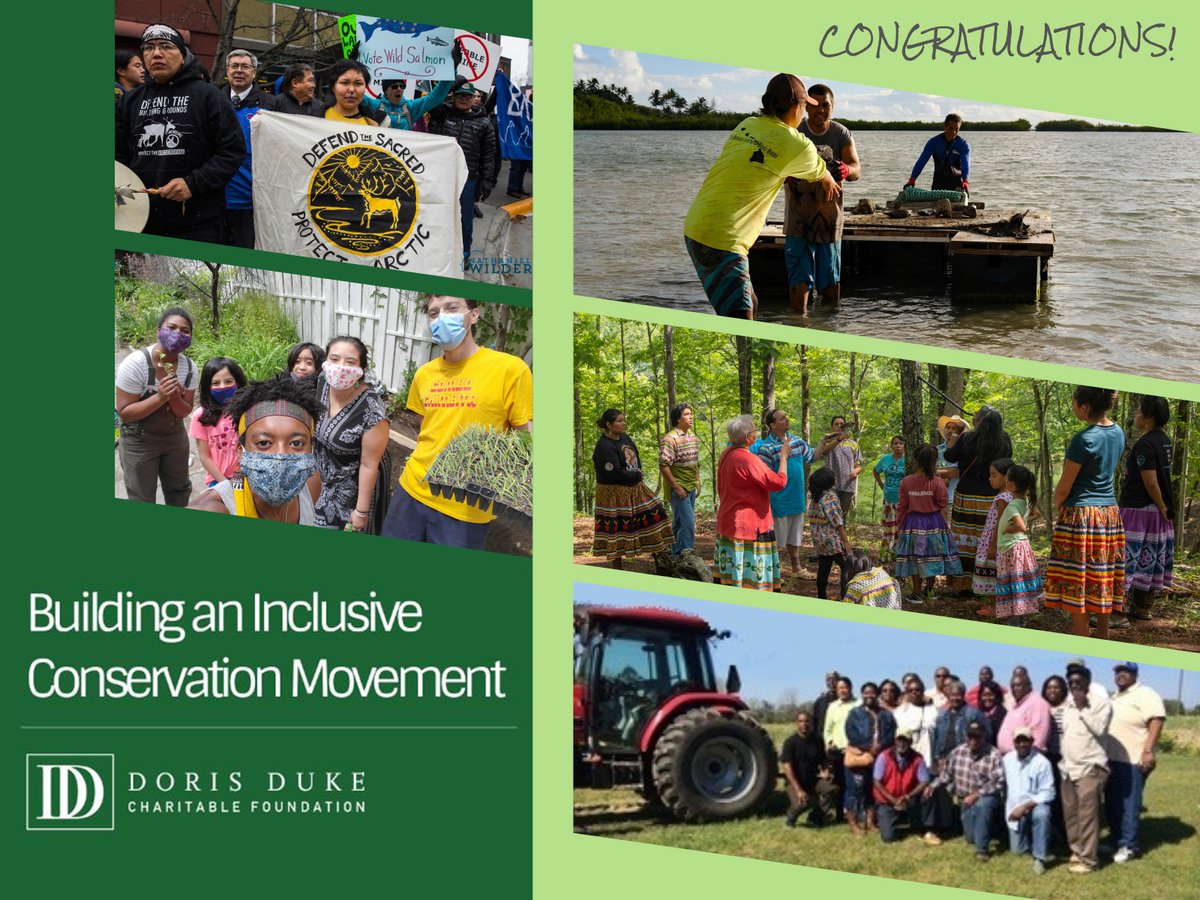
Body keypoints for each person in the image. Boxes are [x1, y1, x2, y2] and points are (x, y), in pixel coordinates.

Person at [683, 73, 839, 319]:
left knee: (751, 304)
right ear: (798, 107)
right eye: (805, 105)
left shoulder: (746, 125)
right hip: (723, 239)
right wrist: (829, 179)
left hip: (695, 226)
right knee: (741, 318)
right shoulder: (797, 144)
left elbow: (752, 164)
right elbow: (821, 173)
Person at [381, 296, 532, 549]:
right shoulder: (424, 374)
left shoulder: (510, 369)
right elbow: (427, 429)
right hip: (412, 490)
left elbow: (523, 439)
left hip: (465, 505)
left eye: (452, 308)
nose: (442, 317)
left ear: (473, 315)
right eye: (433, 313)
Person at [116, 25, 245, 241]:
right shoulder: (129, 101)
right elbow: (117, 155)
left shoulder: (210, 97)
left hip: (198, 222)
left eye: (166, 46)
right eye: (148, 48)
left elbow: (232, 151)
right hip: (139, 219)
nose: (156, 53)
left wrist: (193, 183)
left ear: (183, 56)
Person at [1045, 386, 1127, 638]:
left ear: (1084, 407)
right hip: (1109, 514)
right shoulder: (1118, 432)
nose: (1073, 406)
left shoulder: (1083, 440)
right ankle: (1102, 634)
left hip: (1081, 516)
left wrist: (1060, 506)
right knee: (1101, 576)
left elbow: (1065, 487)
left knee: (1077, 579)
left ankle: (1081, 637)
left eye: (1074, 403)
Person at [189, 374, 322, 523]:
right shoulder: (213, 508)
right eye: (264, 443)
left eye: (296, 443)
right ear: (240, 451)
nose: (280, 455)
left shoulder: (311, 485)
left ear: (311, 449)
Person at [782, 83, 861, 314]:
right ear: (806, 107)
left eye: (826, 105)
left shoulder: (841, 133)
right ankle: (799, 326)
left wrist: (846, 170)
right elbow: (771, 167)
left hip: (829, 219)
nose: (821, 111)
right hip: (798, 220)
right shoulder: (794, 132)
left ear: (832, 106)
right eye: (815, 105)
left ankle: (829, 328)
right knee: (799, 280)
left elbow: (857, 168)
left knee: (830, 282)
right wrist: (784, 175)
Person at [115, 307, 199, 506]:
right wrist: (160, 397)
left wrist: (174, 397)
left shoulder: (189, 368)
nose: (177, 334)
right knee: (142, 495)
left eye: (184, 331)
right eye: (171, 327)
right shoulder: (135, 364)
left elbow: (184, 411)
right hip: (139, 440)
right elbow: (125, 413)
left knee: (179, 490)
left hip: (173, 436)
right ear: (158, 330)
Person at [311, 337, 390, 532]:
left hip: (353, 491)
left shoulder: (372, 411)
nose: (340, 367)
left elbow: (369, 464)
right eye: (334, 359)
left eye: (350, 362)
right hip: (321, 478)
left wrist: (361, 512)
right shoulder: (323, 381)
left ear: (361, 369)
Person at [713, 415, 789, 591]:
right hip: (748, 526)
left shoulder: (726, 454)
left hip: (728, 520)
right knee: (752, 579)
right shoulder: (748, 459)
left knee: (731, 577)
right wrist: (783, 457)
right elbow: (778, 483)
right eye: (754, 429)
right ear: (748, 438)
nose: (757, 432)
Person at [591, 409, 673, 569]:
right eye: (619, 421)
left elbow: (636, 456)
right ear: (608, 424)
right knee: (617, 528)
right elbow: (614, 473)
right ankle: (618, 568)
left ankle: (662, 559)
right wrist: (636, 476)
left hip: (634, 487)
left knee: (655, 512)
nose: (623, 423)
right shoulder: (604, 446)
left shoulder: (624, 437)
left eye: (623, 420)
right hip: (613, 492)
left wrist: (638, 472)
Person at [428, 81, 499, 264]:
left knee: (465, 219)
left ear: (473, 99)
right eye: (459, 95)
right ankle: (436, 252)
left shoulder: (484, 124)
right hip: (440, 177)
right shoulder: (441, 114)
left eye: (467, 96)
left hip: (468, 180)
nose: (463, 99)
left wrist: (487, 181)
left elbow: (489, 156)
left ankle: (464, 254)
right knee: (436, 215)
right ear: (453, 96)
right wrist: (451, 84)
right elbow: (432, 101)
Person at [943, 407, 1013, 593]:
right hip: (991, 496)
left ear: (980, 421)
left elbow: (949, 455)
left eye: (975, 417)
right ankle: (987, 584)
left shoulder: (967, 438)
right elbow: (1008, 459)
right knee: (987, 537)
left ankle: (962, 585)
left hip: (966, 494)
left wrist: (955, 434)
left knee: (964, 539)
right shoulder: (1004, 439)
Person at [1119, 395, 1175, 621]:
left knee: (1126, 558)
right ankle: (1142, 607)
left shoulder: (1145, 443)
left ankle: (1115, 613)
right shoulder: (1164, 440)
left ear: (1149, 418)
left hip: (1138, 510)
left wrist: (1162, 506)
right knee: (1148, 557)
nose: (1136, 416)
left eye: (1139, 412)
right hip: (1155, 511)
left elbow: (1150, 481)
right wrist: (1163, 508)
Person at [1104, 661, 1166, 863]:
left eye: (1125, 671)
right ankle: (1115, 840)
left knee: (1129, 804)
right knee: (1113, 804)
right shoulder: (1115, 696)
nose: (1120, 675)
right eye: (1117, 671)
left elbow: (1156, 720)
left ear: (1134, 673)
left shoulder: (1145, 694)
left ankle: (1129, 846)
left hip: (1132, 761)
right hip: (1112, 760)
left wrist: (1148, 751)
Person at [750, 409, 823, 575]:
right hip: (779, 500)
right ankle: (771, 573)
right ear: (772, 425)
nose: (786, 419)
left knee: (795, 536)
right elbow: (764, 476)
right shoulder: (767, 447)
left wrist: (824, 443)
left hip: (797, 498)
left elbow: (812, 456)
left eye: (786, 417)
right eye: (782, 418)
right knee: (776, 538)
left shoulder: (796, 440)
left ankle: (796, 567)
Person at [1059, 665, 1112, 874]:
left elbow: (1099, 728)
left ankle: (1090, 860)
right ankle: (1078, 850)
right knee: (1071, 814)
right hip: (1068, 768)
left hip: (1090, 768)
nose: (1074, 686)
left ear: (1088, 683)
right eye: (1071, 683)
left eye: (1078, 682)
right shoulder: (1068, 705)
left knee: (1088, 815)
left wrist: (1084, 707)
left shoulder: (1100, 703)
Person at [894, 443, 962, 602]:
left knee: (914, 558)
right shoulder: (937, 481)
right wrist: (944, 487)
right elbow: (943, 503)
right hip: (934, 523)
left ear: (916, 460)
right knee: (933, 555)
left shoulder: (906, 481)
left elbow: (902, 506)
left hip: (912, 524)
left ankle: (916, 593)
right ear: (934, 461)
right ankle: (929, 591)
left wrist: (900, 526)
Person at [218, 49, 271, 249]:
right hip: (216, 199)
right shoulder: (213, 100)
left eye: (245, 66)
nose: (239, 71)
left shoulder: (270, 106)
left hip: (251, 202)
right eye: (234, 66)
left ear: (254, 72)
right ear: (227, 70)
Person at [933, 721, 1003, 860]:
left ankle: (982, 850)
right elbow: (946, 775)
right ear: (966, 736)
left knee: (982, 805)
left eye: (977, 737)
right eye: (970, 736)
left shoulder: (994, 754)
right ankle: (983, 833)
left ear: (984, 736)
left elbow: (999, 783)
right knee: (971, 838)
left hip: (987, 796)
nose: (973, 740)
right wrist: (932, 785)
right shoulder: (957, 751)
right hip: (965, 800)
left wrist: (977, 794)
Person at [844, 682, 896, 836]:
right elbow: (850, 733)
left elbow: (891, 734)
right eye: (866, 693)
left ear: (877, 694)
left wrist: (879, 746)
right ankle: (853, 824)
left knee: (872, 790)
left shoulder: (886, 714)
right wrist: (868, 747)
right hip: (860, 756)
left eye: (872, 692)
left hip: (879, 757)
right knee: (855, 791)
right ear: (862, 695)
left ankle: (871, 822)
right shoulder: (854, 714)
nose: (869, 695)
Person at [995, 464, 1044, 625]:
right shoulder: (1025, 501)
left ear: (1011, 484)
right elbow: (1036, 514)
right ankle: (1020, 619)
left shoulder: (1013, 505)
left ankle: (1015, 623)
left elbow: (1021, 527)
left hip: (1012, 549)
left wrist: (1009, 528)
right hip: (1019, 546)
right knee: (1019, 583)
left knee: (1013, 583)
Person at [1003, 727, 1056, 875]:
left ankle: (1040, 858)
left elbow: (1049, 792)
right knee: (1017, 851)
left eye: (1025, 741)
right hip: (1014, 808)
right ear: (1014, 742)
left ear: (1032, 742)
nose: (1021, 744)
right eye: (1018, 741)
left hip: (1036, 805)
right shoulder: (1007, 759)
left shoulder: (1042, 762)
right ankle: (1044, 835)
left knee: (1042, 815)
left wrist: (1025, 807)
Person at [874, 729, 941, 845]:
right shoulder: (883, 756)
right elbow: (877, 782)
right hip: (887, 800)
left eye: (905, 741)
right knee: (888, 838)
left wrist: (908, 796)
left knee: (927, 792)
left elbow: (924, 781)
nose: (902, 744)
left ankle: (928, 828)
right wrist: (894, 801)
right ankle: (894, 821)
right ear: (895, 741)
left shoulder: (917, 758)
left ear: (911, 742)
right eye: (899, 740)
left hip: (908, 798)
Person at [189, 356, 246, 488]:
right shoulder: (201, 417)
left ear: (238, 382)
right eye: (215, 383)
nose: (222, 387)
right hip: (219, 479)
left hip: (244, 474)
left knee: (244, 507)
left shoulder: (247, 410)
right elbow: (204, 456)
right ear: (207, 386)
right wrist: (226, 484)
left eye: (228, 381)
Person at [659, 404, 702, 562]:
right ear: (678, 418)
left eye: (691, 414)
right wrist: (675, 486)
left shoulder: (692, 436)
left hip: (690, 485)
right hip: (679, 487)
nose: (691, 417)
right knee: (687, 522)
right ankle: (687, 555)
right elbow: (664, 465)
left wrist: (697, 480)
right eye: (687, 414)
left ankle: (676, 556)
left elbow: (695, 461)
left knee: (679, 521)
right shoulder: (670, 439)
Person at [781, 712, 838, 828]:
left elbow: (823, 760)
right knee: (802, 803)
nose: (804, 724)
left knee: (833, 788)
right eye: (801, 721)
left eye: (807, 721)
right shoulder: (790, 743)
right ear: (796, 724)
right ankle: (790, 818)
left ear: (811, 723)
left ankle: (815, 817)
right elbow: (787, 768)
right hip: (794, 782)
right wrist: (798, 790)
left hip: (812, 780)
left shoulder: (817, 740)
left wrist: (826, 770)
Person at [972, 458, 1014, 612]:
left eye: (994, 475)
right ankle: (1000, 607)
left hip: (995, 541)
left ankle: (996, 609)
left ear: (1006, 477)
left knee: (994, 574)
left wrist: (992, 545)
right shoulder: (1013, 496)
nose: (990, 479)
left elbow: (1000, 523)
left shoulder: (1002, 498)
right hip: (1006, 541)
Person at [807, 467, 851, 599]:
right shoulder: (830, 497)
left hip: (819, 540)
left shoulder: (815, 497)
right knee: (847, 566)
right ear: (828, 481)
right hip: (831, 540)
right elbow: (838, 521)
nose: (835, 478)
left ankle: (822, 596)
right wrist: (846, 542)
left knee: (824, 567)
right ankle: (845, 595)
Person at [906, 113, 970, 194]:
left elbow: (966, 163)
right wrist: (912, 179)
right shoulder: (933, 142)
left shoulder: (963, 144)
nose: (953, 132)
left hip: (957, 186)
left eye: (956, 129)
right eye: (951, 128)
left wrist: (965, 181)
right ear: (945, 126)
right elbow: (922, 161)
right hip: (938, 185)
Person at [814, 415, 862, 517]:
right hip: (830, 485)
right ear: (832, 427)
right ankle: (830, 533)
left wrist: (856, 471)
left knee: (843, 514)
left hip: (848, 485)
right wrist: (839, 439)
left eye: (841, 424)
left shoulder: (853, 444)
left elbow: (858, 465)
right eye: (836, 424)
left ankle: (842, 532)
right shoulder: (827, 441)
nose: (839, 426)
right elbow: (824, 451)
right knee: (830, 514)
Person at [823, 675, 859, 809]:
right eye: (839, 688)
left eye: (845, 687)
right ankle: (840, 812)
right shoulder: (832, 706)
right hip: (838, 751)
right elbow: (828, 729)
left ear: (850, 688)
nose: (842, 690)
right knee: (839, 782)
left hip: (855, 750)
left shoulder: (858, 704)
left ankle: (855, 810)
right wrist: (829, 742)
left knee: (855, 782)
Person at [374, 72, 455, 130]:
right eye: (394, 87)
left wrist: (451, 70)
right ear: (385, 91)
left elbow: (436, 97)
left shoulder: (410, 107)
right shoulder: (375, 105)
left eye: (402, 86)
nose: (399, 89)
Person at [997, 670, 1051, 754]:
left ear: (1028, 686)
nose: (1014, 689)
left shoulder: (1038, 703)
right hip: (1010, 758)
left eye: (1018, 685)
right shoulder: (1015, 704)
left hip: (1025, 758)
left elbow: (1039, 738)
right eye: (1012, 686)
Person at [895, 676, 939, 767]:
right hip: (907, 761)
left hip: (929, 761)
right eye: (910, 690)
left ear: (923, 691)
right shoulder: (899, 712)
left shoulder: (933, 710)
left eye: (917, 690)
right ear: (906, 693)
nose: (914, 692)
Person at [872, 436, 907, 550]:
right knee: (889, 526)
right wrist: (882, 485)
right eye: (895, 443)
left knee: (902, 526)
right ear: (891, 446)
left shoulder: (908, 459)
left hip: (904, 499)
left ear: (904, 445)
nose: (898, 446)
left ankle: (900, 550)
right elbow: (875, 471)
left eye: (901, 443)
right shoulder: (885, 459)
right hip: (889, 498)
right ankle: (887, 551)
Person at [324, 59, 379, 125]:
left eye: (358, 83)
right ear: (333, 87)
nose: (352, 90)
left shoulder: (381, 122)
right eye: (345, 83)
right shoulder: (315, 118)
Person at [936, 415, 968, 519]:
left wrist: (943, 472)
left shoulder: (964, 450)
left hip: (958, 499)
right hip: (938, 499)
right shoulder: (937, 450)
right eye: (948, 427)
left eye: (954, 428)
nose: (950, 430)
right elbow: (930, 470)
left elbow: (959, 472)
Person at [812, 671, 840, 744]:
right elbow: (815, 722)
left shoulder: (846, 701)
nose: (831, 682)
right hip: (822, 741)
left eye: (834, 679)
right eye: (828, 680)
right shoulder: (820, 702)